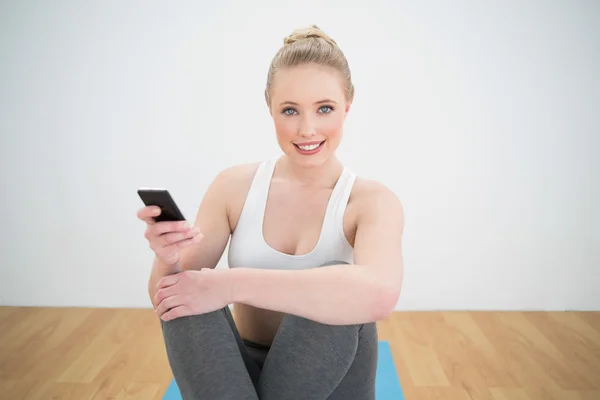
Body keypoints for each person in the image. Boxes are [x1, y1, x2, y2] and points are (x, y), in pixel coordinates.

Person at [137, 24, 404, 400]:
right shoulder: (233, 186)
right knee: (186, 291)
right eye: (290, 110)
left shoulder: (372, 201)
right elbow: (166, 297)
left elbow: (380, 296)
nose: (307, 129)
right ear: (270, 109)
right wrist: (167, 261)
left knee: (337, 285)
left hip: (332, 377)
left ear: (347, 106)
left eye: (324, 108)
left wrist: (229, 284)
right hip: (236, 375)